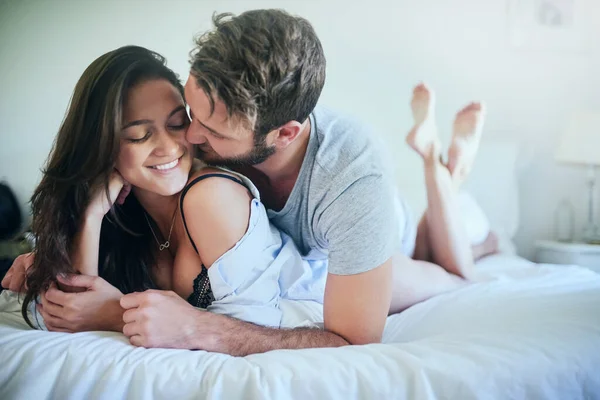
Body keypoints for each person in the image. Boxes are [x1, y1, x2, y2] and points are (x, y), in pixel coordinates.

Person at [0, 45, 332, 343]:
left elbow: (251, 331)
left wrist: (117, 313)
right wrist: (92, 215)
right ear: (103, 147)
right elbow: (73, 309)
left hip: (322, 306)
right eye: (140, 135)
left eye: (176, 124)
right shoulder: (124, 212)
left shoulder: (211, 196)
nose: (170, 146)